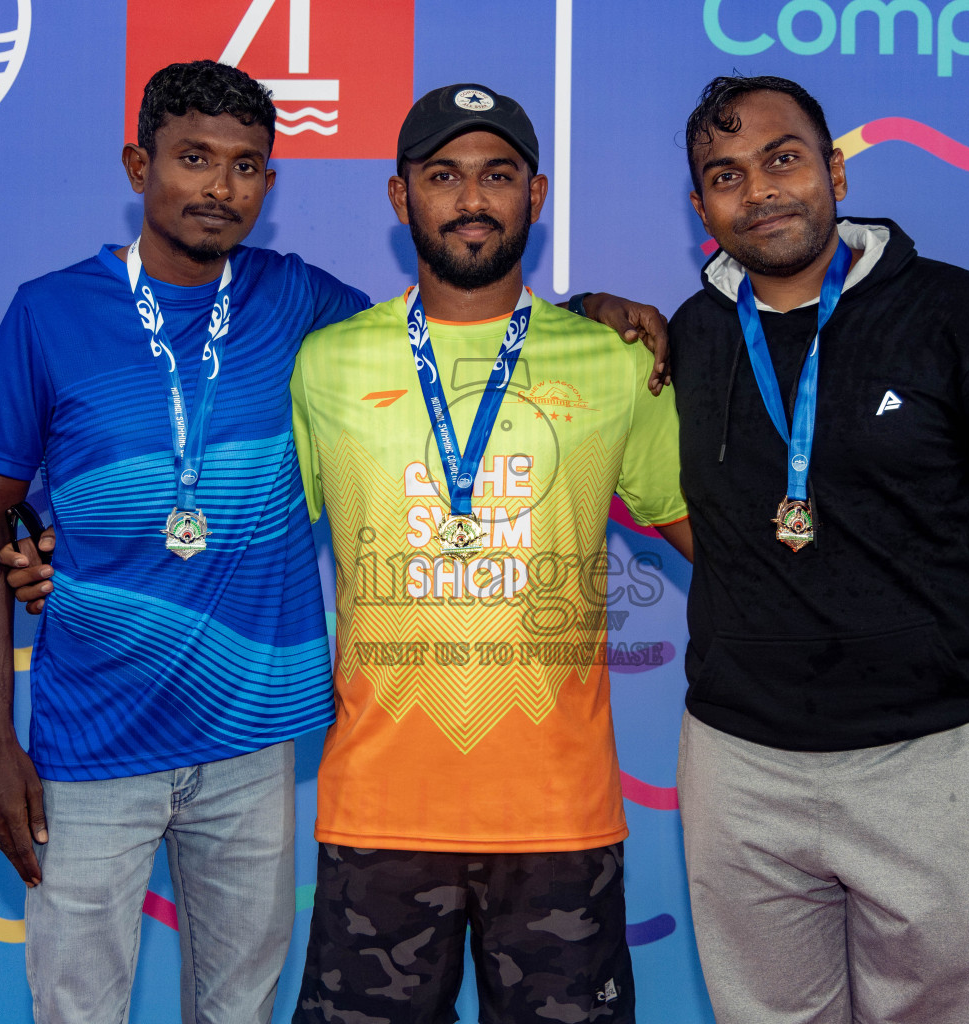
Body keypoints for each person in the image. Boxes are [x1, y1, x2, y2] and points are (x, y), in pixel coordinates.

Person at [0, 63, 667, 1024]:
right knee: (77, 1008)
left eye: (246, 165)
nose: (219, 186)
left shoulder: (302, 308)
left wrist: (592, 308)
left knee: (239, 1009)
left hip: (253, 742)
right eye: (194, 159)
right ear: (140, 166)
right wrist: (1, 713)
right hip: (92, 739)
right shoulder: (54, 312)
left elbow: (468, 312)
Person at [666, 75, 969, 1024]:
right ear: (702, 206)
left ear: (833, 169)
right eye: (726, 174)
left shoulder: (961, 318)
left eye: (783, 159)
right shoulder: (689, 340)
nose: (762, 190)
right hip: (740, 767)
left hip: (934, 758)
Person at [283, 83, 691, 1024]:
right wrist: (78, 556)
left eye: (497, 175)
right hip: (377, 815)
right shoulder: (328, 364)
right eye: (444, 176)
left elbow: (708, 537)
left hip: (559, 821)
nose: (472, 199)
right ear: (400, 198)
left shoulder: (616, 358)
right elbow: (246, 539)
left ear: (535, 196)